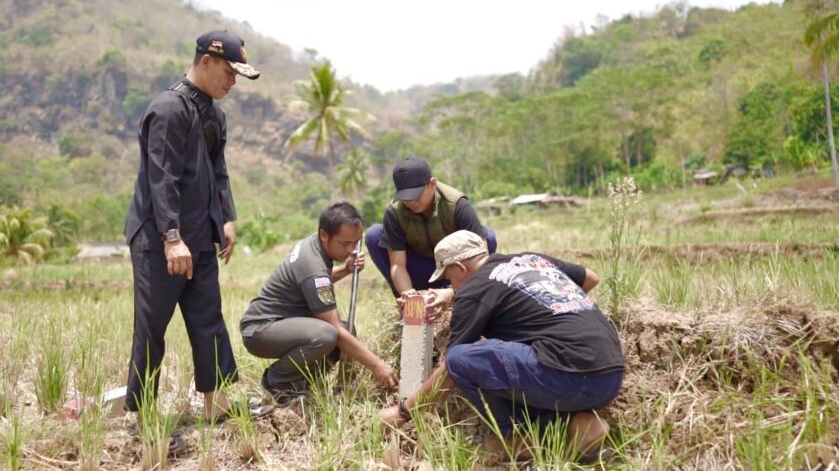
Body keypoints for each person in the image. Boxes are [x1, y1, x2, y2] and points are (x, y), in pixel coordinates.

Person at [379, 231, 624, 464]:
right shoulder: (531, 260)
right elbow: (591, 277)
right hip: (611, 374)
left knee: (462, 358)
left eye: (448, 277)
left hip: (569, 377)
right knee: (520, 357)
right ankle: (580, 425)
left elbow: (451, 369)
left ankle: (522, 437)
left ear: (461, 267)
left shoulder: (474, 289)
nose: (450, 284)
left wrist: (404, 412)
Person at [122, 29, 259, 421]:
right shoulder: (168, 109)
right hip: (158, 239)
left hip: (198, 237)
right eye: (230, 72)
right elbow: (159, 177)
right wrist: (171, 238)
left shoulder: (214, 113)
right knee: (152, 327)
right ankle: (142, 413)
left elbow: (218, 171)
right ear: (206, 61)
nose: (233, 81)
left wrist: (227, 217)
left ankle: (216, 406)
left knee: (208, 319)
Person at [240, 202, 398, 403]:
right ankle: (278, 382)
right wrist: (378, 365)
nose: (350, 250)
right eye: (344, 244)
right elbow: (333, 327)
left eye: (355, 243)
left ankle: (305, 383)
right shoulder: (312, 264)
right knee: (327, 335)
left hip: (283, 323)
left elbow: (315, 282)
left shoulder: (315, 245)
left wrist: (346, 269)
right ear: (324, 235)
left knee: (345, 329)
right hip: (261, 330)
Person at [365, 157, 497, 316]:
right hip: (420, 269)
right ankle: (408, 305)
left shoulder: (457, 205)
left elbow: (482, 259)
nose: (411, 202)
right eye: (405, 197)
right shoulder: (394, 213)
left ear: (432, 184)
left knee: (487, 237)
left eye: (416, 195)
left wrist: (452, 292)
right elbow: (397, 265)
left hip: (452, 270)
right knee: (374, 235)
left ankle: (465, 296)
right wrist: (409, 295)